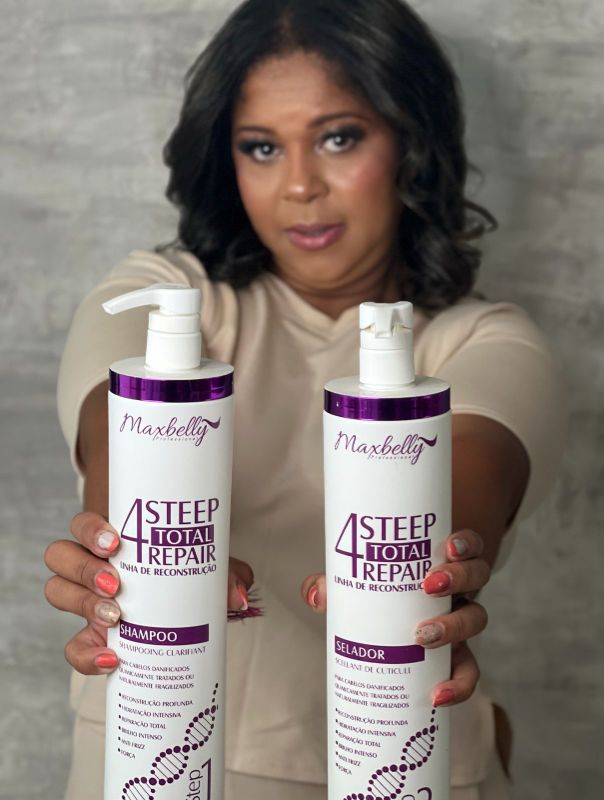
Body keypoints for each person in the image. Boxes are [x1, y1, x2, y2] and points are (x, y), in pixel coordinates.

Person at [43, 1, 566, 798]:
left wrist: (427, 589)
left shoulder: (489, 343)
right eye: (260, 147)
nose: (298, 185)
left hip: (409, 761)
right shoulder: (161, 296)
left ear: (412, 143)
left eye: (339, 137)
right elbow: (117, 434)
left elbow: (447, 510)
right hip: (151, 754)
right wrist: (130, 562)